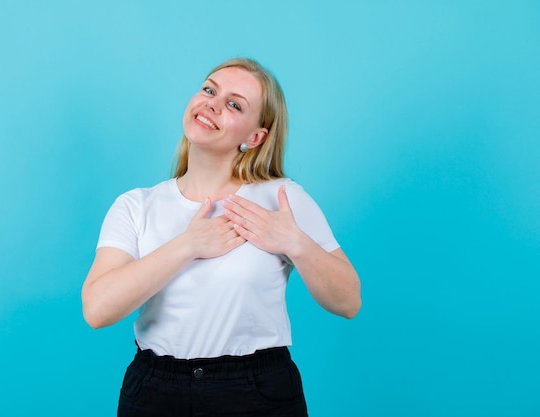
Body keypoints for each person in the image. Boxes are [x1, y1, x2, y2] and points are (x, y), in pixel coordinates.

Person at [82, 57, 361, 417]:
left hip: (256, 392)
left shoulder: (281, 199)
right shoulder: (136, 206)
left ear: (255, 137)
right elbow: (97, 310)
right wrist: (188, 245)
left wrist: (296, 243)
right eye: (209, 89)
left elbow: (348, 302)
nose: (212, 103)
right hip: (155, 392)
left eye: (233, 104)